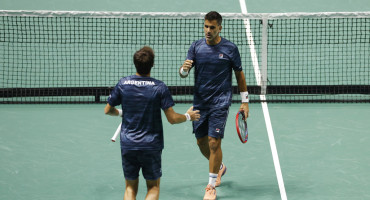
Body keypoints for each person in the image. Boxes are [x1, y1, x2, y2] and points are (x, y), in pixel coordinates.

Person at [105, 46, 200, 200]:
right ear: (152, 65)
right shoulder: (159, 87)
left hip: (129, 144)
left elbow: (108, 110)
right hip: (151, 145)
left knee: (130, 188)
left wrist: (122, 113)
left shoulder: (123, 84)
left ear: (135, 64)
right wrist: (188, 116)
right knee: (153, 188)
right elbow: (172, 119)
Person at [178, 11, 249, 200]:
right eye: (206, 26)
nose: (208, 31)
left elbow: (239, 75)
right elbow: (183, 72)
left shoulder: (230, 49)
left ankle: (210, 187)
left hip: (220, 102)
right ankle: (220, 167)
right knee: (201, 142)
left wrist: (245, 101)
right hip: (200, 103)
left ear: (220, 28)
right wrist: (183, 70)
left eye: (212, 27)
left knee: (213, 142)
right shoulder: (196, 47)